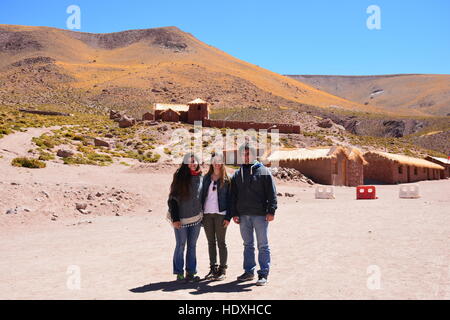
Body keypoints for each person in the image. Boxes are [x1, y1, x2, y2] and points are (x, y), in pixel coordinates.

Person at [230, 142, 277, 286]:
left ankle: (263, 274)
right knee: (247, 245)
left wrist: (271, 211)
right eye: (242, 154)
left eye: (247, 153)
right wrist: (235, 213)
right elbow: (233, 195)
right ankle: (249, 271)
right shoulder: (238, 174)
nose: (245, 157)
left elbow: (272, 192)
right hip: (244, 216)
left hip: (260, 215)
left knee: (263, 245)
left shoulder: (263, 171)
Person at [168, 152, 203, 283]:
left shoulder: (200, 177)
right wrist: (175, 218)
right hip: (181, 219)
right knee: (181, 245)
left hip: (196, 219)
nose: (193, 164)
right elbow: (172, 199)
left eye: (195, 161)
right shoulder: (179, 176)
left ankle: (191, 273)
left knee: (192, 246)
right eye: (190, 161)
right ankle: (179, 273)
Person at [201, 152, 232, 281]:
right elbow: (201, 196)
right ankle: (213, 268)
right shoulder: (206, 178)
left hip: (221, 214)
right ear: (212, 162)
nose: (217, 163)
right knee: (210, 242)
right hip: (207, 214)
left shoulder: (227, 179)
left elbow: (231, 199)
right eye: (215, 161)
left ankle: (223, 269)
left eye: (219, 161)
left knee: (221, 242)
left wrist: (228, 217)